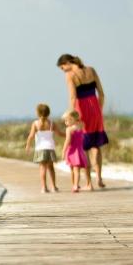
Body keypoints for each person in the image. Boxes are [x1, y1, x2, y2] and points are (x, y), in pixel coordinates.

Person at [56, 53, 108, 188]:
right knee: (96, 145)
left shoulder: (70, 75)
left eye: (62, 68)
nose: (63, 71)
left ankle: (89, 183)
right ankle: (99, 178)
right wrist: (99, 110)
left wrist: (71, 115)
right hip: (95, 109)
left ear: (67, 63)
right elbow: (102, 94)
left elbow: (73, 98)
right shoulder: (91, 70)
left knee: (83, 147)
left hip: (81, 111)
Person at [25, 103, 63, 193]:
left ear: (38, 113)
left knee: (42, 168)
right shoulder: (52, 123)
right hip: (50, 148)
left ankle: (44, 187)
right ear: (48, 113)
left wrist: (28, 145)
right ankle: (54, 187)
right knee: (51, 168)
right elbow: (59, 133)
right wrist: (69, 135)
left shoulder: (35, 123)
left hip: (40, 149)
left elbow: (31, 136)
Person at [62, 110, 93, 192]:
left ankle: (75, 185)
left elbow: (68, 141)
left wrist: (63, 150)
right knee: (77, 170)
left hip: (72, 151)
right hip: (80, 151)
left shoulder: (69, 129)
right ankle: (75, 185)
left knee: (73, 169)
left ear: (72, 119)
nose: (65, 122)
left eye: (67, 120)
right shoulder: (80, 126)